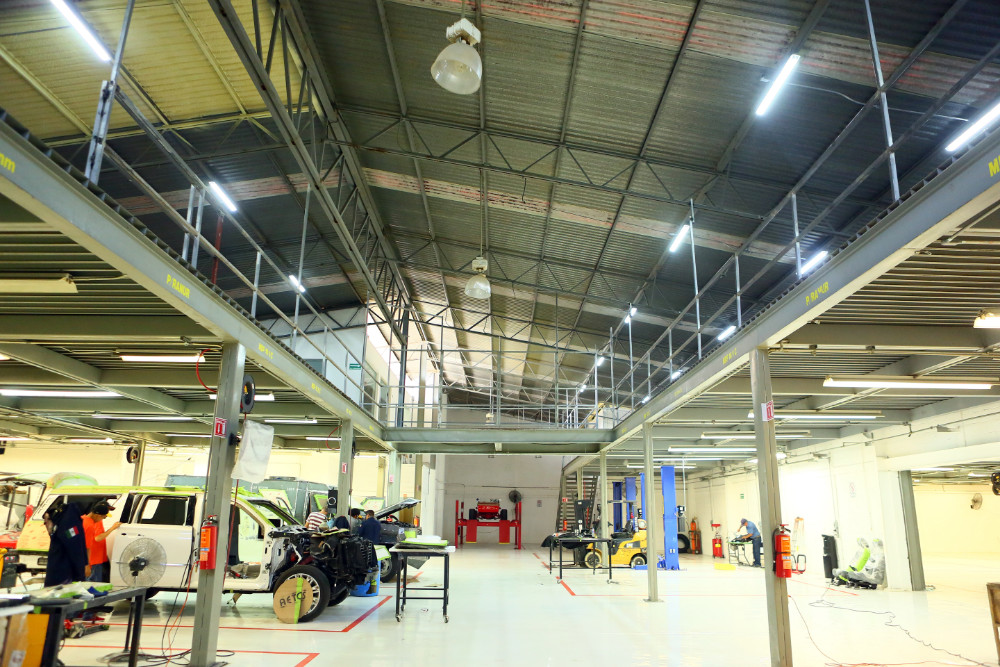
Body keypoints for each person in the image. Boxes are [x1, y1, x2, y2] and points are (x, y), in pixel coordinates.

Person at [42, 498, 88, 587]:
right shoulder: (71, 524)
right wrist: (80, 572)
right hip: (65, 574)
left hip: (56, 570)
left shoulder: (63, 521)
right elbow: (75, 547)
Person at [81, 500, 121, 582]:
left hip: (90, 560)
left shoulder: (83, 519)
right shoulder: (91, 524)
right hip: (93, 560)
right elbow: (93, 542)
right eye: (104, 516)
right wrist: (87, 565)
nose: (104, 518)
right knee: (93, 585)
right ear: (98, 515)